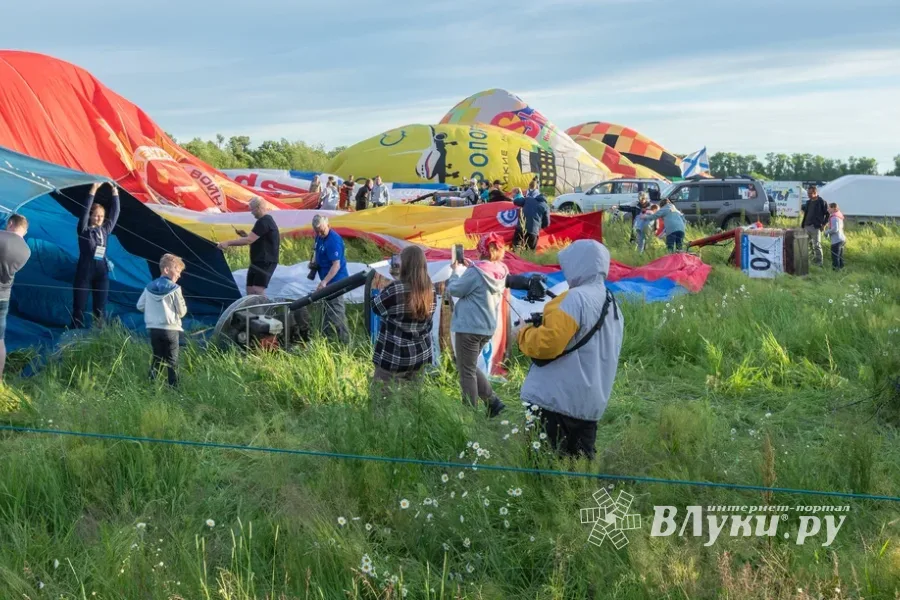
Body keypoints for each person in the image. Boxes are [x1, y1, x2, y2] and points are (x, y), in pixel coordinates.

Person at [517, 239, 624, 459]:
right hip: (590, 405)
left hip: (555, 400)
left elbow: (546, 344)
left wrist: (523, 333)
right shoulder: (612, 304)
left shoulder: (574, 299)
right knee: (579, 469)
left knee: (542, 465)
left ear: (578, 265)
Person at [447, 233, 508, 417]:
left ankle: (469, 415)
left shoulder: (475, 272)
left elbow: (454, 289)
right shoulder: (502, 270)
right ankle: (493, 403)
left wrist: (455, 272)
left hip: (468, 327)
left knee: (466, 371)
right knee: (470, 366)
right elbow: (481, 279)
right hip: (487, 327)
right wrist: (471, 268)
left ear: (481, 250)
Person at [371, 245, 437, 387]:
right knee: (412, 398)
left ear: (405, 264)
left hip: (394, 356)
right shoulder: (430, 289)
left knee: (382, 397)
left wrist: (393, 281)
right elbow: (429, 319)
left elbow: (376, 306)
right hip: (420, 355)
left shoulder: (395, 288)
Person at [73, 181, 121, 328]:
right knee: (79, 307)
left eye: (102, 216)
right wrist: (93, 189)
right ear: (91, 216)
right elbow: (85, 209)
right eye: (96, 216)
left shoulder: (105, 230)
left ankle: (99, 334)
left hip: (101, 273)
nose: (99, 218)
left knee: (100, 309)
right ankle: (75, 333)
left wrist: (115, 192)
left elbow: (115, 213)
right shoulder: (84, 229)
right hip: (85, 272)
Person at [136, 253, 187, 387]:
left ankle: (151, 385)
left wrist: (153, 311)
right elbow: (182, 312)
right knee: (172, 360)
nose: (179, 275)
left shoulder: (149, 287)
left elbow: (140, 306)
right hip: (171, 329)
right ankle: (174, 389)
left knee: (157, 358)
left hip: (154, 329)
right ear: (166, 269)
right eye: (177, 271)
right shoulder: (175, 289)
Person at [217, 197, 280, 296]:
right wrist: (245, 236)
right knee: (250, 289)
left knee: (257, 289)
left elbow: (249, 240)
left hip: (265, 261)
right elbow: (257, 239)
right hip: (257, 261)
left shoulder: (264, 221)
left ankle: (265, 306)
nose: (251, 213)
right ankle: (254, 306)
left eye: (252, 210)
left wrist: (228, 243)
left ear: (258, 208)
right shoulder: (264, 221)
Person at [0, 214, 31, 382]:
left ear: (10, 223)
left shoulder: (1, 236)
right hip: (4, 297)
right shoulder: (27, 251)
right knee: (0, 340)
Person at [311, 214, 350, 343]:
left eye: (321, 231)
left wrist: (324, 282)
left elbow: (336, 265)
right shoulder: (318, 236)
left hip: (336, 281)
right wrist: (314, 263)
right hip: (327, 281)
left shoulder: (334, 241)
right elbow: (316, 251)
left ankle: (345, 343)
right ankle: (325, 341)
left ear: (328, 225)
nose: (319, 234)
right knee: (326, 313)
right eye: (317, 231)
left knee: (336, 314)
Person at [801, 185, 829, 267]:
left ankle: (819, 262)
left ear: (815, 192)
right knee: (807, 244)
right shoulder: (808, 202)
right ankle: (810, 260)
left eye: (810, 193)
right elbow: (806, 214)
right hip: (806, 226)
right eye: (808, 193)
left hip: (816, 227)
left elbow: (827, 214)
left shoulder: (821, 202)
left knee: (817, 245)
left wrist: (824, 224)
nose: (808, 195)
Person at [825, 202, 846, 270]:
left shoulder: (834, 217)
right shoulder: (839, 215)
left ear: (834, 208)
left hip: (836, 240)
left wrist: (826, 232)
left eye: (829, 208)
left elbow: (835, 229)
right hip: (842, 239)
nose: (828, 209)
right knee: (840, 256)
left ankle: (836, 270)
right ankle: (842, 268)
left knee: (835, 256)